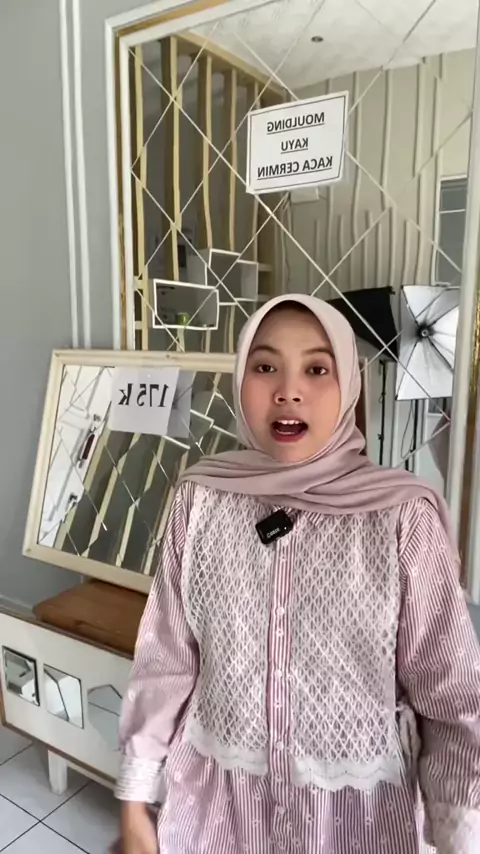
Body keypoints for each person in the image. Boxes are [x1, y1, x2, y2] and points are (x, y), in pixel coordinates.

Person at [115, 294, 480, 854]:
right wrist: (135, 798)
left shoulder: (401, 516)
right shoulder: (201, 499)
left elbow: (451, 694)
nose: (288, 390)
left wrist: (460, 833)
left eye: (316, 369)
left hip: (356, 821)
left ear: (349, 385)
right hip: (217, 808)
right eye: (265, 367)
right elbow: (166, 657)